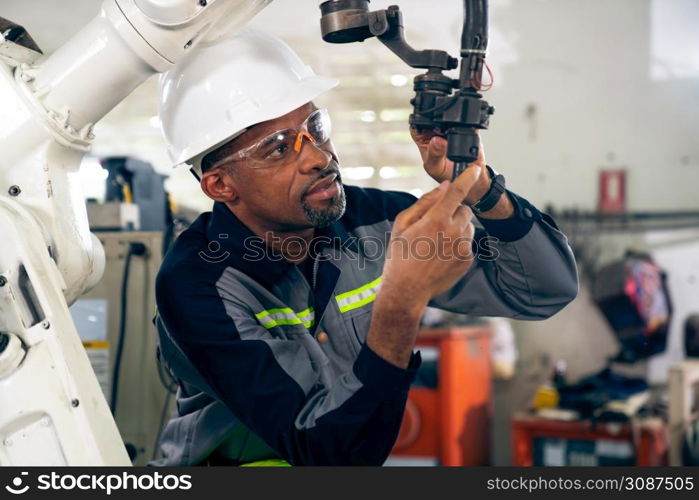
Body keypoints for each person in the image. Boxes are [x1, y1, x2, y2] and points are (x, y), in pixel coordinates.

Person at [152, 29, 578, 466]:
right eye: (278, 148)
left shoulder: (375, 222)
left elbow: (545, 288)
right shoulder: (196, 284)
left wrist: (480, 188)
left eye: (314, 127)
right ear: (221, 185)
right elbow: (324, 452)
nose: (317, 156)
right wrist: (401, 301)